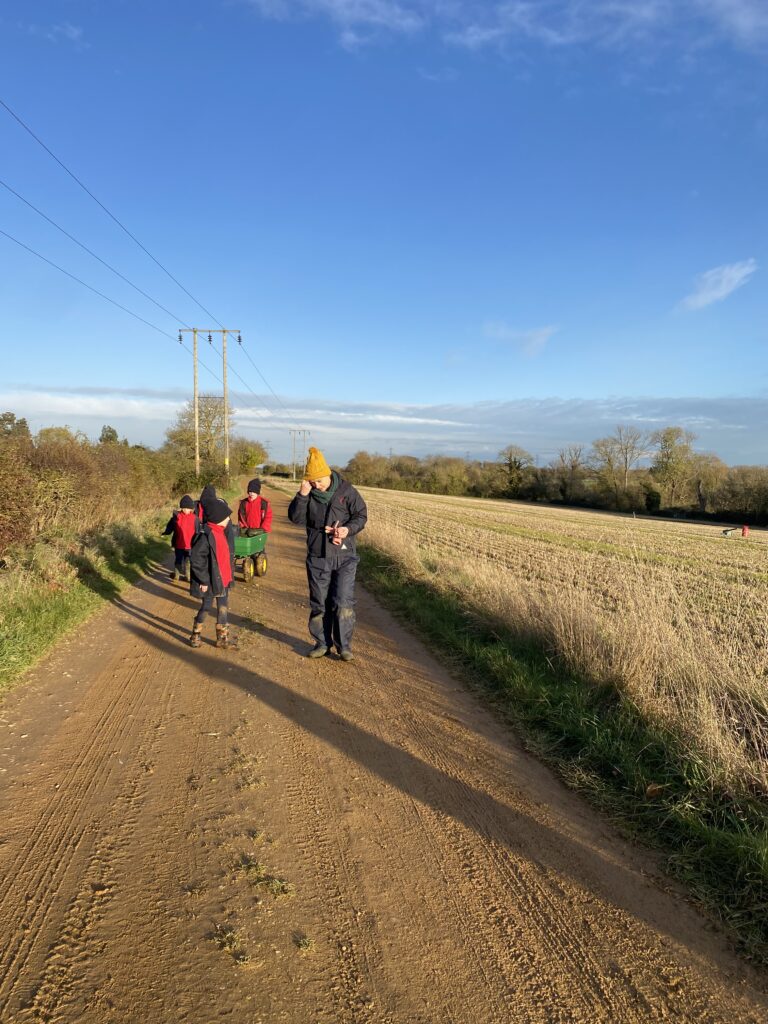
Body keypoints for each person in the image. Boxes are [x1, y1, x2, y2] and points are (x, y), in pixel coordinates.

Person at [288, 447, 367, 661]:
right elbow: (296, 518)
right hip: (318, 556)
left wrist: (347, 529)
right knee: (319, 603)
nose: (316, 485)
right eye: (312, 482)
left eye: (319, 482)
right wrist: (302, 495)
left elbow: (361, 515)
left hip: (344, 556)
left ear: (328, 474)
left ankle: (344, 646)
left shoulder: (346, 491)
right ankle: (322, 643)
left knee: (343, 602)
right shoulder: (308, 494)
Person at [189, 495, 237, 650]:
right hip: (210, 581)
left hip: (223, 579)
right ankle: (196, 634)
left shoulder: (221, 532)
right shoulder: (205, 536)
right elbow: (196, 560)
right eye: (226, 517)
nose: (229, 519)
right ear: (217, 518)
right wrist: (203, 580)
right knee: (206, 608)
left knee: (223, 608)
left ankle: (222, 638)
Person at [162, 495, 199, 581]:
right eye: (184, 508)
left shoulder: (195, 519)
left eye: (188, 508)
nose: (186, 510)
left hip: (190, 546)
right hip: (179, 544)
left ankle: (188, 577)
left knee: (188, 562)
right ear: (181, 508)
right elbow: (170, 526)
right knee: (178, 560)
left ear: (191, 509)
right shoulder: (176, 517)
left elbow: (198, 531)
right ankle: (176, 576)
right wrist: (166, 532)